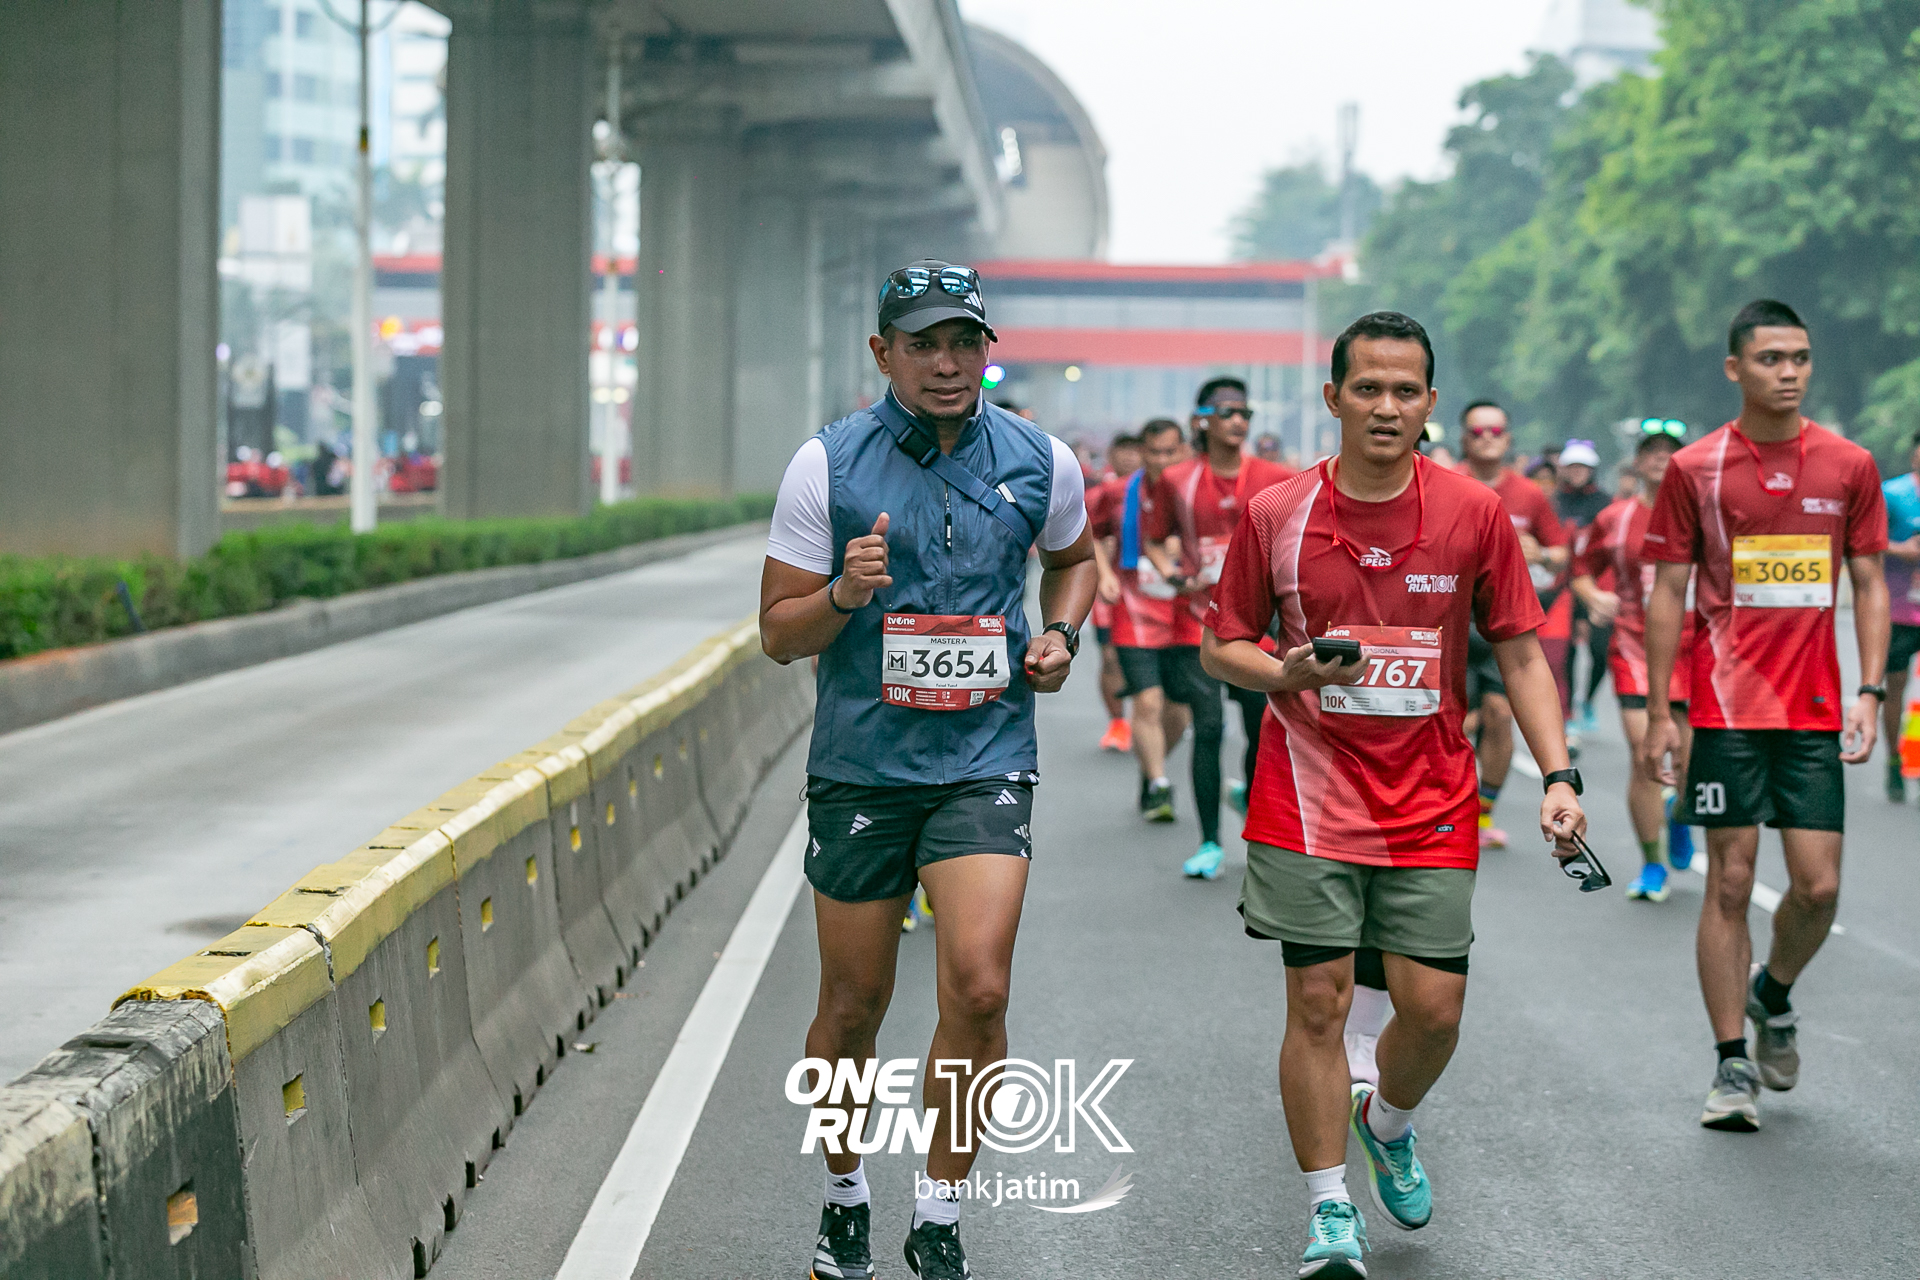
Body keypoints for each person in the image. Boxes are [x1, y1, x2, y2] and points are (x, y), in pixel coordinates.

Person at [1204, 311, 1586, 1278]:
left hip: (1433, 798)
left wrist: (1558, 775)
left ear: (1429, 403)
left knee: (1434, 1010)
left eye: (1404, 391)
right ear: (1333, 397)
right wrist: (1284, 673)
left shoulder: (1474, 512)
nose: (1385, 406)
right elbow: (1222, 643)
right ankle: (1330, 1209)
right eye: (1367, 388)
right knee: (1319, 1004)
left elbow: (1520, 653)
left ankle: (1388, 1121)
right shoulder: (1276, 513)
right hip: (1307, 796)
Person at [760, 258, 1096, 1279]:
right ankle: (844, 1197)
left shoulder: (1041, 458)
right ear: (884, 353)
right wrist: (844, 595)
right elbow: (778, 634)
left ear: (987, 348)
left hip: (985, 757)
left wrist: (1061, 635)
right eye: (923, 345)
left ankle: (940, 1214)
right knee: (852, 1003)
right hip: (863, 767)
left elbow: (1074, 560)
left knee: (980, 989)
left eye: (963, 342)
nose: (947, 364)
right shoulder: (825, 466)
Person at [1639, 299, 1890, 1134]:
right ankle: (1730, 1064)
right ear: (1734, 368)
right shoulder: (1696, 469)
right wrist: (1664, 709)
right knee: (1731, 880)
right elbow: (1669, 590)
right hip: (1724, 708)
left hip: (1814, 711)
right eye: (1771, 358)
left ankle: (1772, 994)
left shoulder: (1849, 464)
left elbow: (1869, 583)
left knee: (1818, 887)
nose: (1789, 372)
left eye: (1800, 358)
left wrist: (1870, 691)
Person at [1145, 377, 1296, 879]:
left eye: (1244, 413)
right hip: (1199, 622)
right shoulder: (1177, 479)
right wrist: (1172, 574)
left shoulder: (1278, 477)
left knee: (1260, 730)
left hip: (1260, 628)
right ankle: (1209, 843)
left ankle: (1252, 819)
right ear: (1202, 421)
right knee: (1207, 727)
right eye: (1227, 412)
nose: (1238, 421)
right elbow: (1154, 539)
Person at [1571, 432, 1698, 901]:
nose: (1661, 459)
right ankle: (1652, 864)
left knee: (1690, 760)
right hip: (1634, 646)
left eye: (1670, 452)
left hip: (1694, 648)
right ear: (1638, 462)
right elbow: (1580, 568)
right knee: (1646, 755)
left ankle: (1680, 812)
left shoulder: (1705, 513)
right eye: (1651, 452)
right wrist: (1593, 596)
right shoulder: (1615, 518)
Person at [1456, 402, 1570, 849]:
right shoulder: (1445, 483)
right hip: (1452, 621)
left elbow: (1560, 553)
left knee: (1501, 715)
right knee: (1454, 723)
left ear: (1507, 439)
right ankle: (1443, 811)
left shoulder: (1529, 494)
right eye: (1477, 431)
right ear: (1464, 438)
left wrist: (1540, 553)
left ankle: (1482, 816)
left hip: (1507, 623)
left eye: (1495, 430)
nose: (1487, 437)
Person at [1094, 418, 1195, 822]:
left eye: (1171, 452)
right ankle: (1158, 783)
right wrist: (1104, 573)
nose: (1163, 460)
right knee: (1148, 701)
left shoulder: (1194, 489)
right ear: (1142, 453)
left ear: (1184, 450)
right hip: (1134, 608)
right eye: (1154, 452)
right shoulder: (1117, 492)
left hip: (1184, 610)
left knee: (1178, 711)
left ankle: (1150, 764)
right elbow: (1089, 532)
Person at [1089, 434, 1145, 753]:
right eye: (1121, 451)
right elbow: (1088, 536)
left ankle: (1148, 717)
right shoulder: (1102, 494)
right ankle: (1117, 723)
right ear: (1111, 454)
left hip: (1154, 589)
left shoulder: (1164, 489)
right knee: (1110, 657)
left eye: (1134, 451)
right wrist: (1103, 572)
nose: (1128, 457)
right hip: (1113, 588)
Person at [1556, 440, 1613, 736]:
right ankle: (1567, 712)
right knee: (1565, 654)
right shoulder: (1555, 501)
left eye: (1583, 467)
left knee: (1600, 651)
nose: (1577, 472)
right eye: (1572, 466)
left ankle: (1588, 699)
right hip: (1562, 588)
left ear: (1592, 469)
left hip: (1596, 586)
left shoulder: (1606, 503)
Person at [1881, 429, 1920, 802]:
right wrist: (1902, 550)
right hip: (1899, 612)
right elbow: (1866, 540)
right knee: (1895, 688)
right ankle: (1893, 759)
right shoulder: (1893, 494)